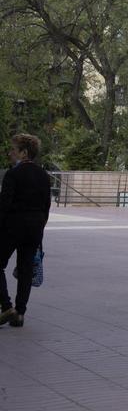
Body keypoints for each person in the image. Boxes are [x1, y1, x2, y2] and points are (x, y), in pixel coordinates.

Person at [0, 134, 52, 328]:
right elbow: (46, 206)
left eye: (13, 149)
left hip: (13, 226)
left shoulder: (13, 174)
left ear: (24, 152)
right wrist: (40, 228)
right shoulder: (43, 175)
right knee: (25, 270)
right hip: (35, 227)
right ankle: (20, 314)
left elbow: (4, 205)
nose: (10, 153)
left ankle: (6, 307)